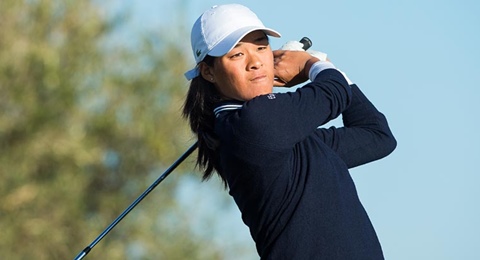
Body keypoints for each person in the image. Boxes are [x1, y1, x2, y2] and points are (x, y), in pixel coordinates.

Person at [182, 4, 396, 260]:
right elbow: (332, 93)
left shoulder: (282, 136)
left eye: (262, 47)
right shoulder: (250, 125)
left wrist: (325, 67)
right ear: (208, 72)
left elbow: (377, 135)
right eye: (236, 55)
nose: (255, 62)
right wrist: (310, 65)